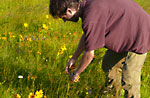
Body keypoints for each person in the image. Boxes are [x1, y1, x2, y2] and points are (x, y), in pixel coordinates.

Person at [49, 0, 150, 97]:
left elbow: (89, 55)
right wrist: (74, 58)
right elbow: (87, 35)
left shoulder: (90, 15)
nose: (65, 21)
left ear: (69, 11)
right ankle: (113, 94)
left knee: (129, 78)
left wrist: (76, 73)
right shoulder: (87, 5)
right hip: (128, 33)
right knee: (109, 63)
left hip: (141, 34)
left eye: (63, 17)